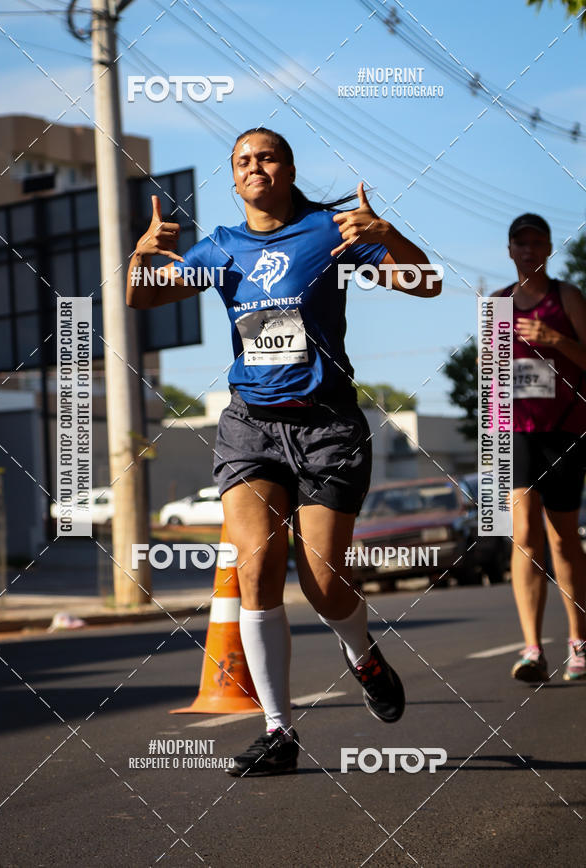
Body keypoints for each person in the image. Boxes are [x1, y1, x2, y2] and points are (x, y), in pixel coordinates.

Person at [127, 127, 441, 776]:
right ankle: (278, 732)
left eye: (267, 157)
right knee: (256, 565)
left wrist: (387, 237)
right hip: (251, 425)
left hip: (327, 427)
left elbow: (427, 284)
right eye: (243, 161)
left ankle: (361, 653)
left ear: (291, 168)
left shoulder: (333, 230)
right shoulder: (222, 247)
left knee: (324, 585)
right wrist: (141, 254)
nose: (255, 167)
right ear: (234, 177)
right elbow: (142, 295)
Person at [491, 214, 586, 684]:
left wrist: (556, 340)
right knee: (523, 532)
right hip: (515, 433)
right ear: (509, 250)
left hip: (565, 429)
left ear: (549, 248)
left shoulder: (566, 297)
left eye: (537, 243)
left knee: (563, 538)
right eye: (520, 243)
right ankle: (532, 649)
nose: (528, 250)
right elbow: (489, 378)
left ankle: (578, 641)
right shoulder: (497, 304)